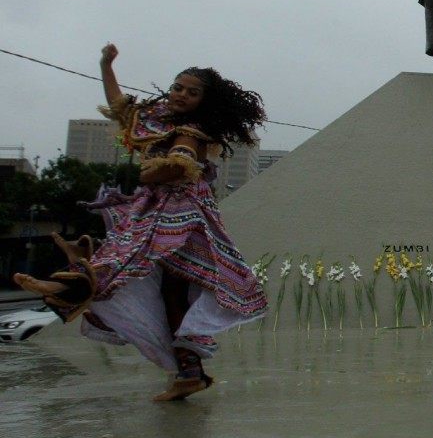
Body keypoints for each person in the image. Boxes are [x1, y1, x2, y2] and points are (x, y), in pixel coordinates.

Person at [12, 43, 268, 400]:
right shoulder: (155, 117)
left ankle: (73, 287)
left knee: (131, 264)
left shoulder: (191, 131)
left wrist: (164, 168)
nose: (181, 95)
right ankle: (188, 371)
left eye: (192, 93)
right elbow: (119, 104)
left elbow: (181, 161)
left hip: (180, 215)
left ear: (203, 102)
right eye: (178, 87)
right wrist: (106, 65)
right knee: (166, 292)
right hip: (150, 209)